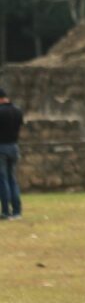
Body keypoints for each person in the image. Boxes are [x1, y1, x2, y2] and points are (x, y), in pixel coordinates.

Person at [0, 87, 23, 220]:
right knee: (12, 179)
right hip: (14, 146)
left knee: (2, 181)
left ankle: (5, 211)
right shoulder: (17, 111)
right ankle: (17, 210)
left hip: (1, 147)